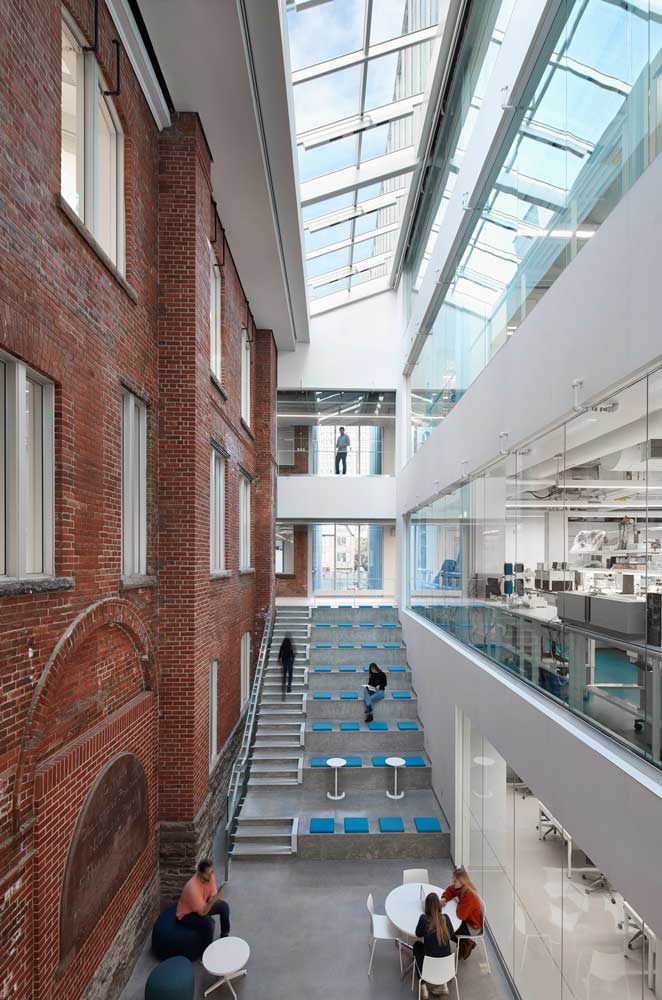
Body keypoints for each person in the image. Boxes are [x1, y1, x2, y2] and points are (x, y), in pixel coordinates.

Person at [176, 858, 230, 939]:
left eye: (212, 871)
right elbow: (203, 912)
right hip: (187, 915)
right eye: (209, 873)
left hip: (202, 905)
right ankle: (207, 948)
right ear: (200, 873)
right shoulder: (192, 888)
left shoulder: (209, 876)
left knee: (224, 907)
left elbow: (213, 893)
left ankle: (225, 936)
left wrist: (213, 899)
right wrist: (213, 900)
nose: (212, 875)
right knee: (209, 924)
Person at [414, 892, 453, 997]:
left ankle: (423, 987)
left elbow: (418, 934)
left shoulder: (423, 919)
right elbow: (452, 933)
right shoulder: (446, 918)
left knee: (417, 946)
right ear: (439, 905)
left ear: (426, 906)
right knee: (442, 949)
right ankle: (444, 985)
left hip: (429, 966)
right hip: (447, 967)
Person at [441, 866, 482, 960]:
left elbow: (461, 915)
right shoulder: (462, 888)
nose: (453, 882)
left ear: (462, 882)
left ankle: (466, 943)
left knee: (445, 929)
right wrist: (444, 898)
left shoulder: (469, 896)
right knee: (446, 926)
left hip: (472, 926)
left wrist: (459, 903)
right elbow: (450, 890)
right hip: (467, 919)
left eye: (455, 881)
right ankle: (466, 943)